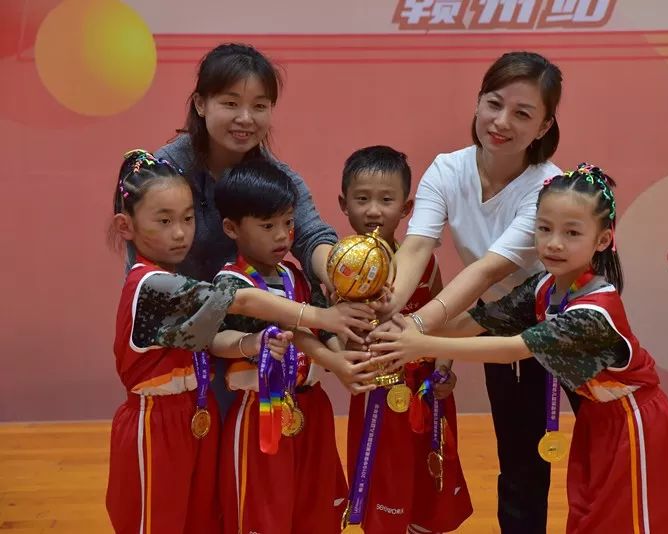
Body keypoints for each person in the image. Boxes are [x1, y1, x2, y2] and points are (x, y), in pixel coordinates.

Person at [369, 164, 668, 534]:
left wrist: (420, 343)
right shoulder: (544, 285)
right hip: (596, 422)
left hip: (634, 423)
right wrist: (405, 330)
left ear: (602, 240)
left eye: (571, 233)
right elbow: (478, 322)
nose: (553, 243)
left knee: (632, 523)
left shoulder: (594, 312)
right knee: (589, 518)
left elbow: (514, 349)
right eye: (545, 228)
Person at [106, 150, 374, 534]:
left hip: (198, 414)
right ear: (125, 225)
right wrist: (318, 317)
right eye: (164, 221)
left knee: (204, 521)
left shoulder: (291, 275)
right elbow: (239, 300)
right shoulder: (150, 285)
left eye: (187, 219)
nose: (180, 232)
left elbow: (220, 337)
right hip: (158, 421)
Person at [369, 51, 564, 532]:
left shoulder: (548, 187)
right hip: (501, 322)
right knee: (520, 464)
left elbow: (486, 272)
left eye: (523, 114)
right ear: (478, 102)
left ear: (543, 127)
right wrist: (389, 302)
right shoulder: (447, 169)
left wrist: (416, 326)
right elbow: (415, 247)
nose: (502, 122)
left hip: (566, 319)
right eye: (494, 104)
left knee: (614, 452)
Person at [152, 43, 341, 417]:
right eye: (230, 103)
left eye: (259, 106)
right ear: (201, 103)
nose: (245, 118)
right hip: (179, 344)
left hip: (252, 345)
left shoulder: (280, 177)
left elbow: (313, 237)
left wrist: (341, 272)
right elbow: (150, 277)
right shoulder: (164, 172)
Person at [212, 159, 378, 533]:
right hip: (260, 412)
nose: (282, 236)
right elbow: (214, 341)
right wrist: (248, 343)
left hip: (311, 407)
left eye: (288, 223)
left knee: (314, 509)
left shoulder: (294, 275)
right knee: (262, 512)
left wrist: (343, 360)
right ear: (231, 228)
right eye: (267, 226)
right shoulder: (228, 282)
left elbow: (319, 326)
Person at [338, 146, 473, 533]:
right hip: (376, 397)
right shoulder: (342, 268)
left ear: (408, 206)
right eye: (362, 199)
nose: (374, 211)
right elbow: (338, 337)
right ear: (343, 203)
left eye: (386, 200)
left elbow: (443, 322)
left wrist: (444, 371)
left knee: (431, 481)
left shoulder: (424, 263)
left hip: (426, 393)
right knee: (384, 483)